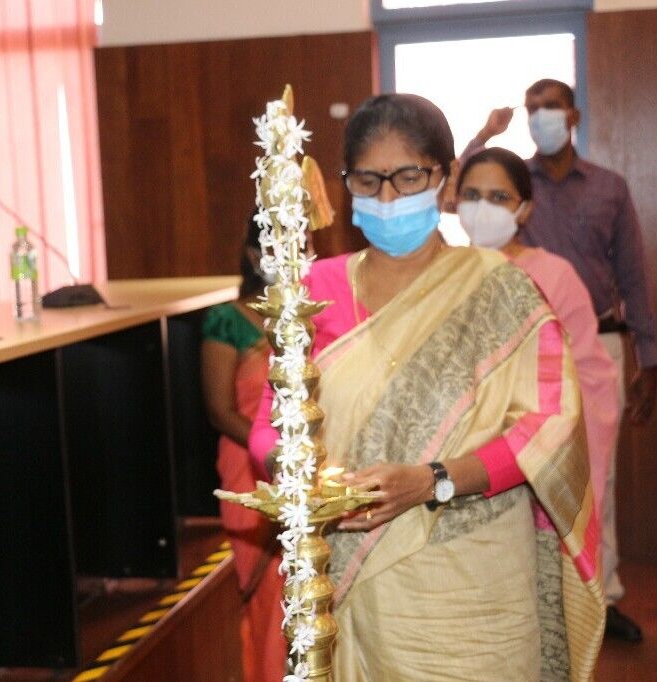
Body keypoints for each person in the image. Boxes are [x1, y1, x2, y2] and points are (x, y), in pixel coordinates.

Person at [249, 93, 604, 680]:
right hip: (350, 585)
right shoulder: (313, 291)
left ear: (445, 178)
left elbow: (549, 426)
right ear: (347, 186)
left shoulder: (501, 290)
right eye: (368, 180)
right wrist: (303, 481)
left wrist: (433, 480)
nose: (388, 198)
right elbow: (271, 419)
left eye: (409, 177)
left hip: (473, 589)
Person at [465, 78, 657, 642]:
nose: (539, 116)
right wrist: (484, 134)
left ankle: (600, 595)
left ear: (572, 115)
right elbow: (456, 192)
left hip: (594, 341)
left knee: (597, 480)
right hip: (510, 366)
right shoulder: (508, 180)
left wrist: (649, 358)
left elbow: (633, 273)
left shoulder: (608, 187)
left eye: (549, 107)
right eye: (531, 108)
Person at [456, 145, 618, 522]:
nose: (483, 208)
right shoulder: (445, 274)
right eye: (471, 195)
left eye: (499, 197)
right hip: (460, 457)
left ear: (525, 209)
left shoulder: (555, 275)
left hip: (540, 448)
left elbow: (587, 374)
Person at [201, 215, 286, 682]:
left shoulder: (311, 316)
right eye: (279, 246)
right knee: (268, 599)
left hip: (305, 466)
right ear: (254, 256)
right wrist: (272, 454)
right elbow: (219, 411)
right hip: (250, 470)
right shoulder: (227, 321)